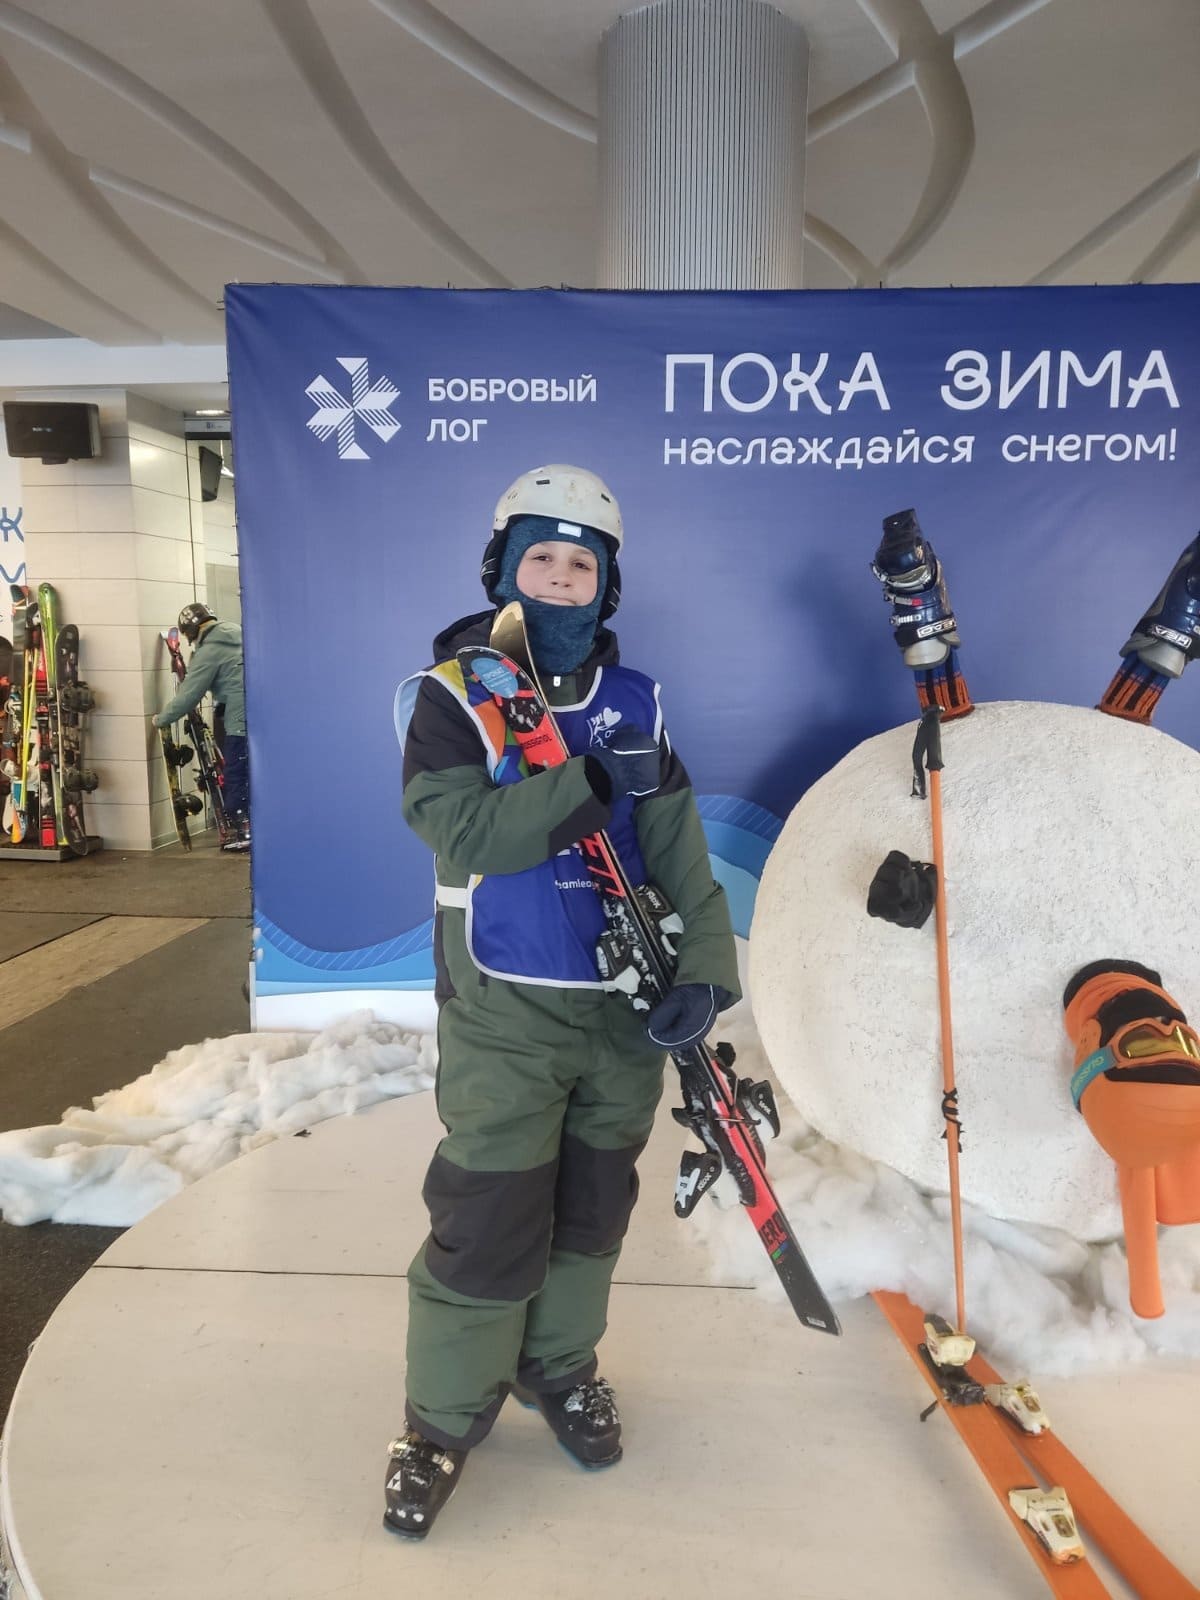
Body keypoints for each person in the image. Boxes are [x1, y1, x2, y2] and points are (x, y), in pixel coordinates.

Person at [386, 464, 740, 1538]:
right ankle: (443, 1419)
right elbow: (462, 829)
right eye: (538, 555)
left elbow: (677, 848)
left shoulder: (637, 704)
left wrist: (705, 971)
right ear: (502, 566)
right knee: (489, 1213)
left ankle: (559, 1367)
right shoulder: (453, 695)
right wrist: (590, 782)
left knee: (591, 1211)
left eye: (579, 563)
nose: (557, 576)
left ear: (605, 584)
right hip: (506, 1002)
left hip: (623, 1004)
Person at [153, 602, 250, 851]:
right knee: (253, 772)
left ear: (192, 631)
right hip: (263, 715)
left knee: (236, 774)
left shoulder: (209, 651)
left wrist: (162, 719)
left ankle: (245, 830)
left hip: (240, 721)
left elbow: (189, 695)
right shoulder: (240, 633)